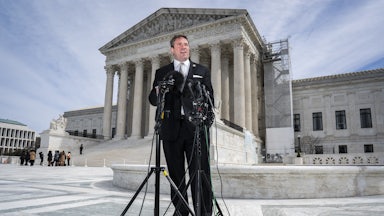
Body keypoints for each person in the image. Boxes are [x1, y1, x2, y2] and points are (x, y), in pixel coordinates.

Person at [148, 35, 214, 216]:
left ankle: (204, 213)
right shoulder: (162, 72)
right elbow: (153, 100)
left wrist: (206, 123)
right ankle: (182, 213)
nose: (184, 47)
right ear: (172, 49)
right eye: (179, 45)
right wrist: (159, 90)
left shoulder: (202, 70)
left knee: (200, 174)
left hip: (196, 130)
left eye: (186, 44)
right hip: (171, 129)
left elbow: (210, 100)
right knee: (176, 177)